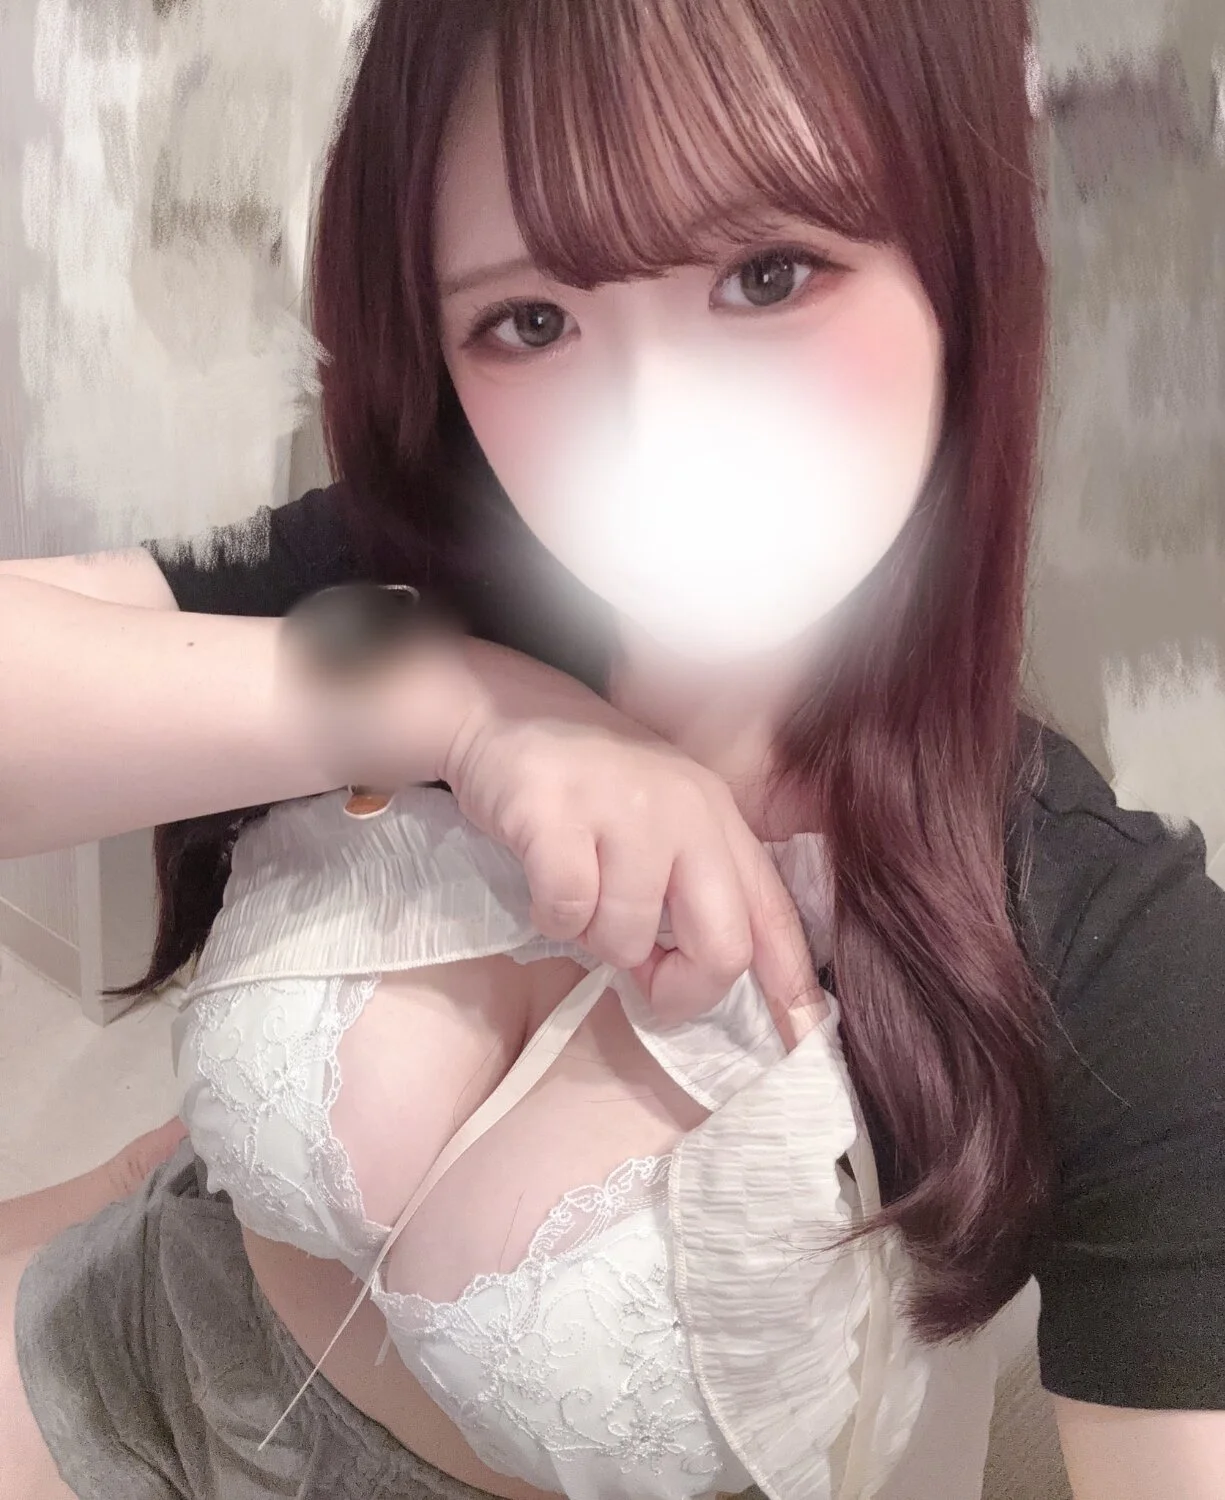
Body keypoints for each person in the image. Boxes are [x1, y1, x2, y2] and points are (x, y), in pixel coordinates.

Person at [1, 1, 1223, 1498]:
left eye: (768, 274)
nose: (655, 428)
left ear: (960, 262)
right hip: (105, 1348)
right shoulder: (412, 585)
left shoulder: (1106, 948)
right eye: (530, 321)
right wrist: (456, 704)